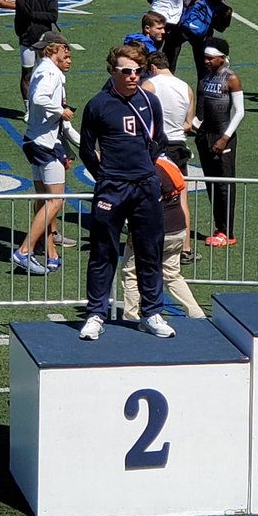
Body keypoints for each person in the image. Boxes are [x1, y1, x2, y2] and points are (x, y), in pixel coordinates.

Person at [78, 44, 174, 341]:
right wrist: (106, 176)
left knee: (149, 251)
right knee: (103, 251)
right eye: (127, 71)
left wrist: (145, 169)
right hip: (112, 187)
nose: (133, 76)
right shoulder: (98, 105)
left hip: (145, 186)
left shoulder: (150, 101)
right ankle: (96, 313)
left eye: (137, 71)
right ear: (113, 71)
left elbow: (159, 140)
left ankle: (151, 313)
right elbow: (86, 149)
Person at [12, 34, 80, 276]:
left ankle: (50, 252)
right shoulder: (51, 73)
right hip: (45, 145)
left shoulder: (43, 69)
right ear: (57, 49)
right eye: (67, 53)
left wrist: (85, 145)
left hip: (33, 140)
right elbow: (41, 99)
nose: (69, 58)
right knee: (56, 201)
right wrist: (60, 110)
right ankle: (24, 250)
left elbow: (65, 126)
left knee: (43, 199)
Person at [122, 155, 206, 321]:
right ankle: (196, 313)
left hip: (152, 231)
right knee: (172, 274)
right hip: (177, 228)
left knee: (131, 273)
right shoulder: (170, 164)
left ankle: (130, 316)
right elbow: (183, 203)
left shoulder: (141, 171)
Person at [147, 50, 198, 262]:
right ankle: (185, 247)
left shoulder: (149, 85)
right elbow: (189, 123)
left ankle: (154, 242)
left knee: (152, 197)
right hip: (179, 146)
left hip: (158, 147)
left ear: (152, 67)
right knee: (181, 197)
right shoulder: (186, 87)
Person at [194, 37, 244, 248]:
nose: (206, 61)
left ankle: (228, 231)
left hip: (223, 136)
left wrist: (225, 137)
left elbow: (240, 112)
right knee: (211, 183)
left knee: (224, 185)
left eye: (210, 58)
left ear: (222, 59)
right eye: (205, 58)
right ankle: (219, 226)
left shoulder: (231, 79)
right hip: (205, 136)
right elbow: (201, 111)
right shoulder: (205, 78)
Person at [14, 0, 58, 108]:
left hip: (45, 40)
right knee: (27, 73)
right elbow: (25, 12)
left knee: (45, 73)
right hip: (27, 39)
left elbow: (53, 16)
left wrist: (33, 14)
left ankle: (43, 103)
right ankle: (28, 107)